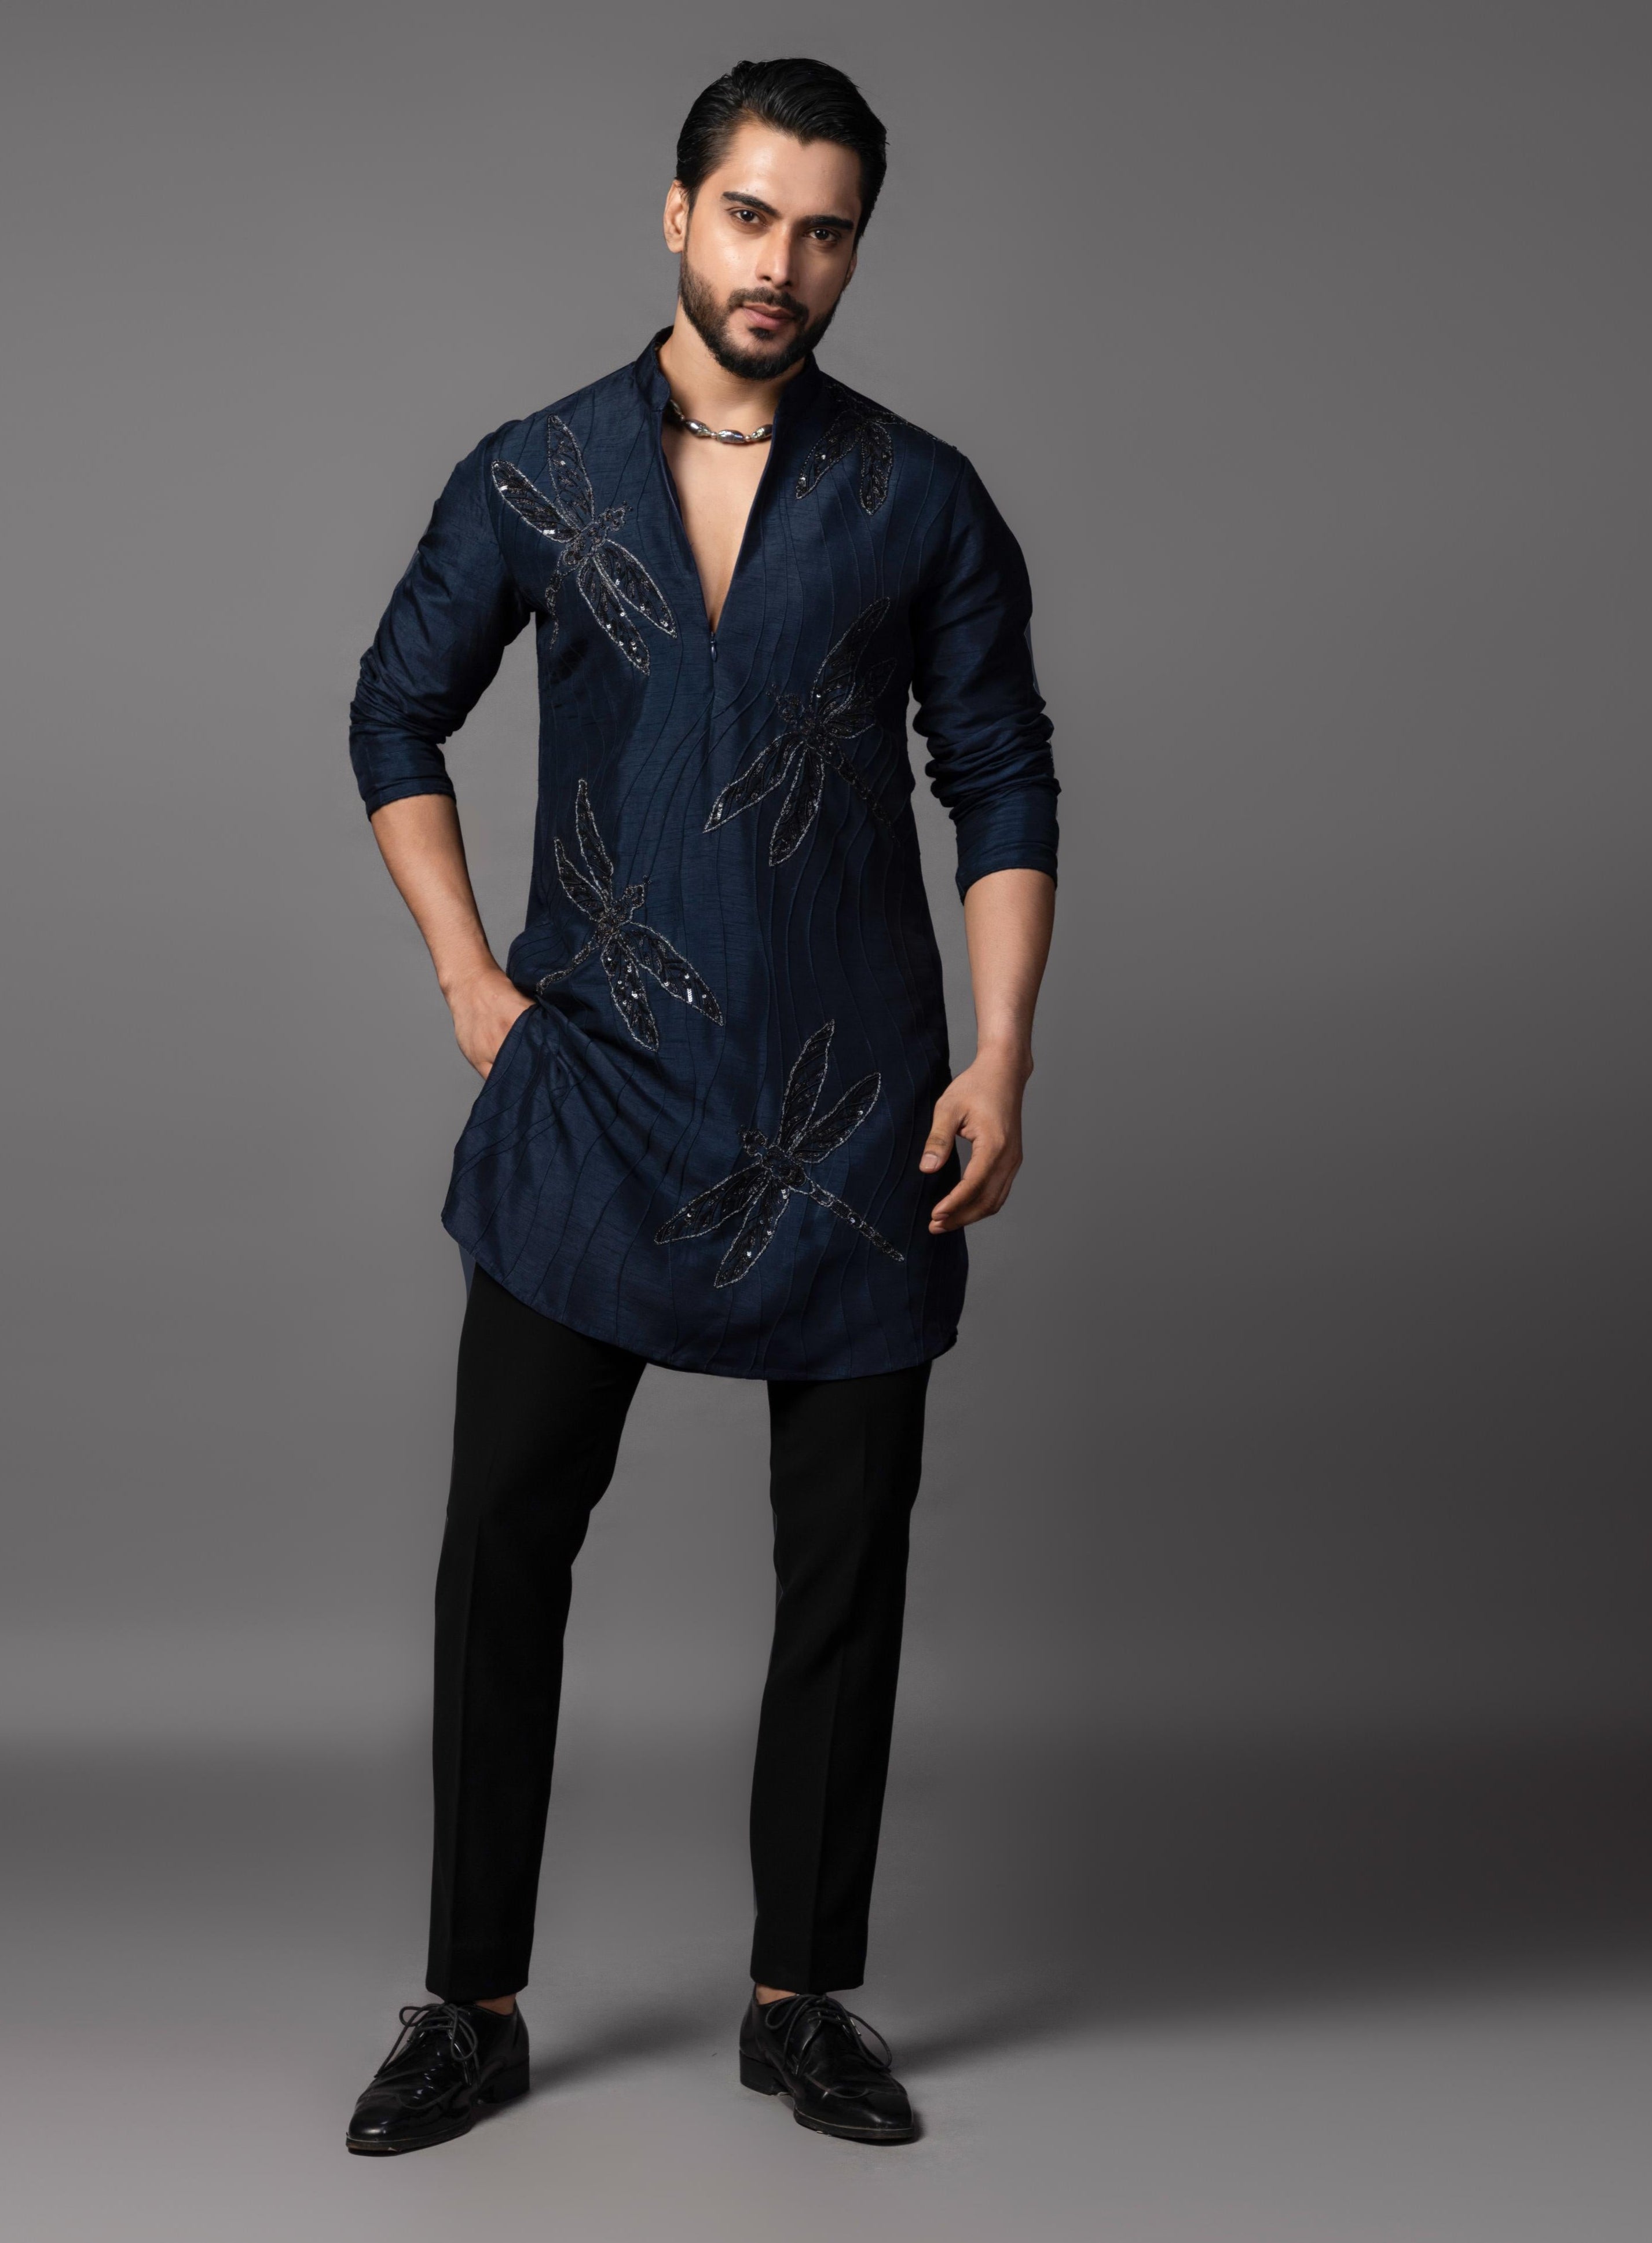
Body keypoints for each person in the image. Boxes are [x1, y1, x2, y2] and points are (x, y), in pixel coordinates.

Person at [342, 55, 1058, 2156]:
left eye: (826, 230)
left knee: (845, 1570)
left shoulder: (921, 496)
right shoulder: (537, 472)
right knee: (501, 1547)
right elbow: (394, 709)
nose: (783, 264)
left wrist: (1004, 1049)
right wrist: (469, 978)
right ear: (678, 214)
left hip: (856, 1117)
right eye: (752, 216)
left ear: (856, 248)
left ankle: (800, 1997)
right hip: (595, 1094)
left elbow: (1001, 770)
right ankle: (470, 2000)